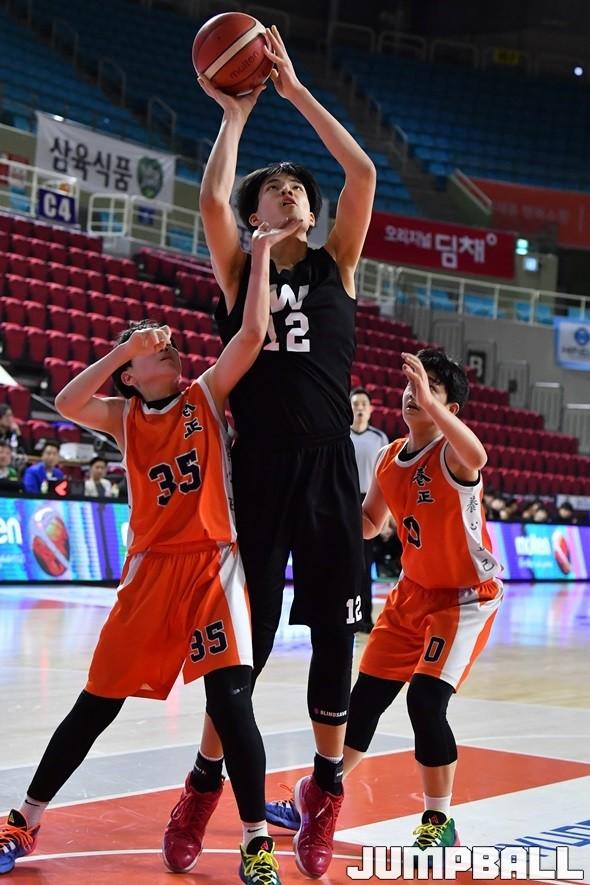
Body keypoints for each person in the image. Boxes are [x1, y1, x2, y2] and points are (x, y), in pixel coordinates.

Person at [0, 217, 302, 883]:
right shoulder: (125, 415)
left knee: (232, 701)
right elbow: (68, 399)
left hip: (212, 565)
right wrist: (122, 350)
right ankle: (23, 819)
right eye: (150, 350)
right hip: (149, 573)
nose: (167, 348)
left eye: (166, 345)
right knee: (96, 703)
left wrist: (259, 254)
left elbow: (253, 333)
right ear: (131, 377)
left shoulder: (205, 395)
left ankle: (255, 841)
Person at [182, 24, 376, 879]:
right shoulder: (240, 271)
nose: (291, 192)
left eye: (299, 187)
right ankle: (204, 780)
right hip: (256, 468)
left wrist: (293, 92)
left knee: (335, 637)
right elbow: (210, 203)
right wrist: (235, 117)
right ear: (256, 214)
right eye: (276, 188)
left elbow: (361, 174)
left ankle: (325, 792)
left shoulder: (338, 265)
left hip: (329, 468)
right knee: (243, 645)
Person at [266, 349, 503, 851]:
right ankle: (316, 795)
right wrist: (315, 511)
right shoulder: (389, 456)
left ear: (450, 409)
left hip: (463, 600)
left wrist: (430, 404)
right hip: (411, 595)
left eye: (431, 388)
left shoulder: (453, 454)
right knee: (361, 704)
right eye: (413, 384)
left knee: (425, 701)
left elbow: (479, 457)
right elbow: (370, 523)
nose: (415, 393)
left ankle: (439, 820)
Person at [350, 387, 389, 631]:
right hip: (344, 500)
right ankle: (341, 614)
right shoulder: (342, 435)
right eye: (355, 404)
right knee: (342, 561)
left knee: (365, 563)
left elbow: (387, 477)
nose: (360, 408)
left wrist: (386, 515)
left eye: (363, 404)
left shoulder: (379, 438)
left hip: (369, 501)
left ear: (371, 409)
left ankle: (364, 617)